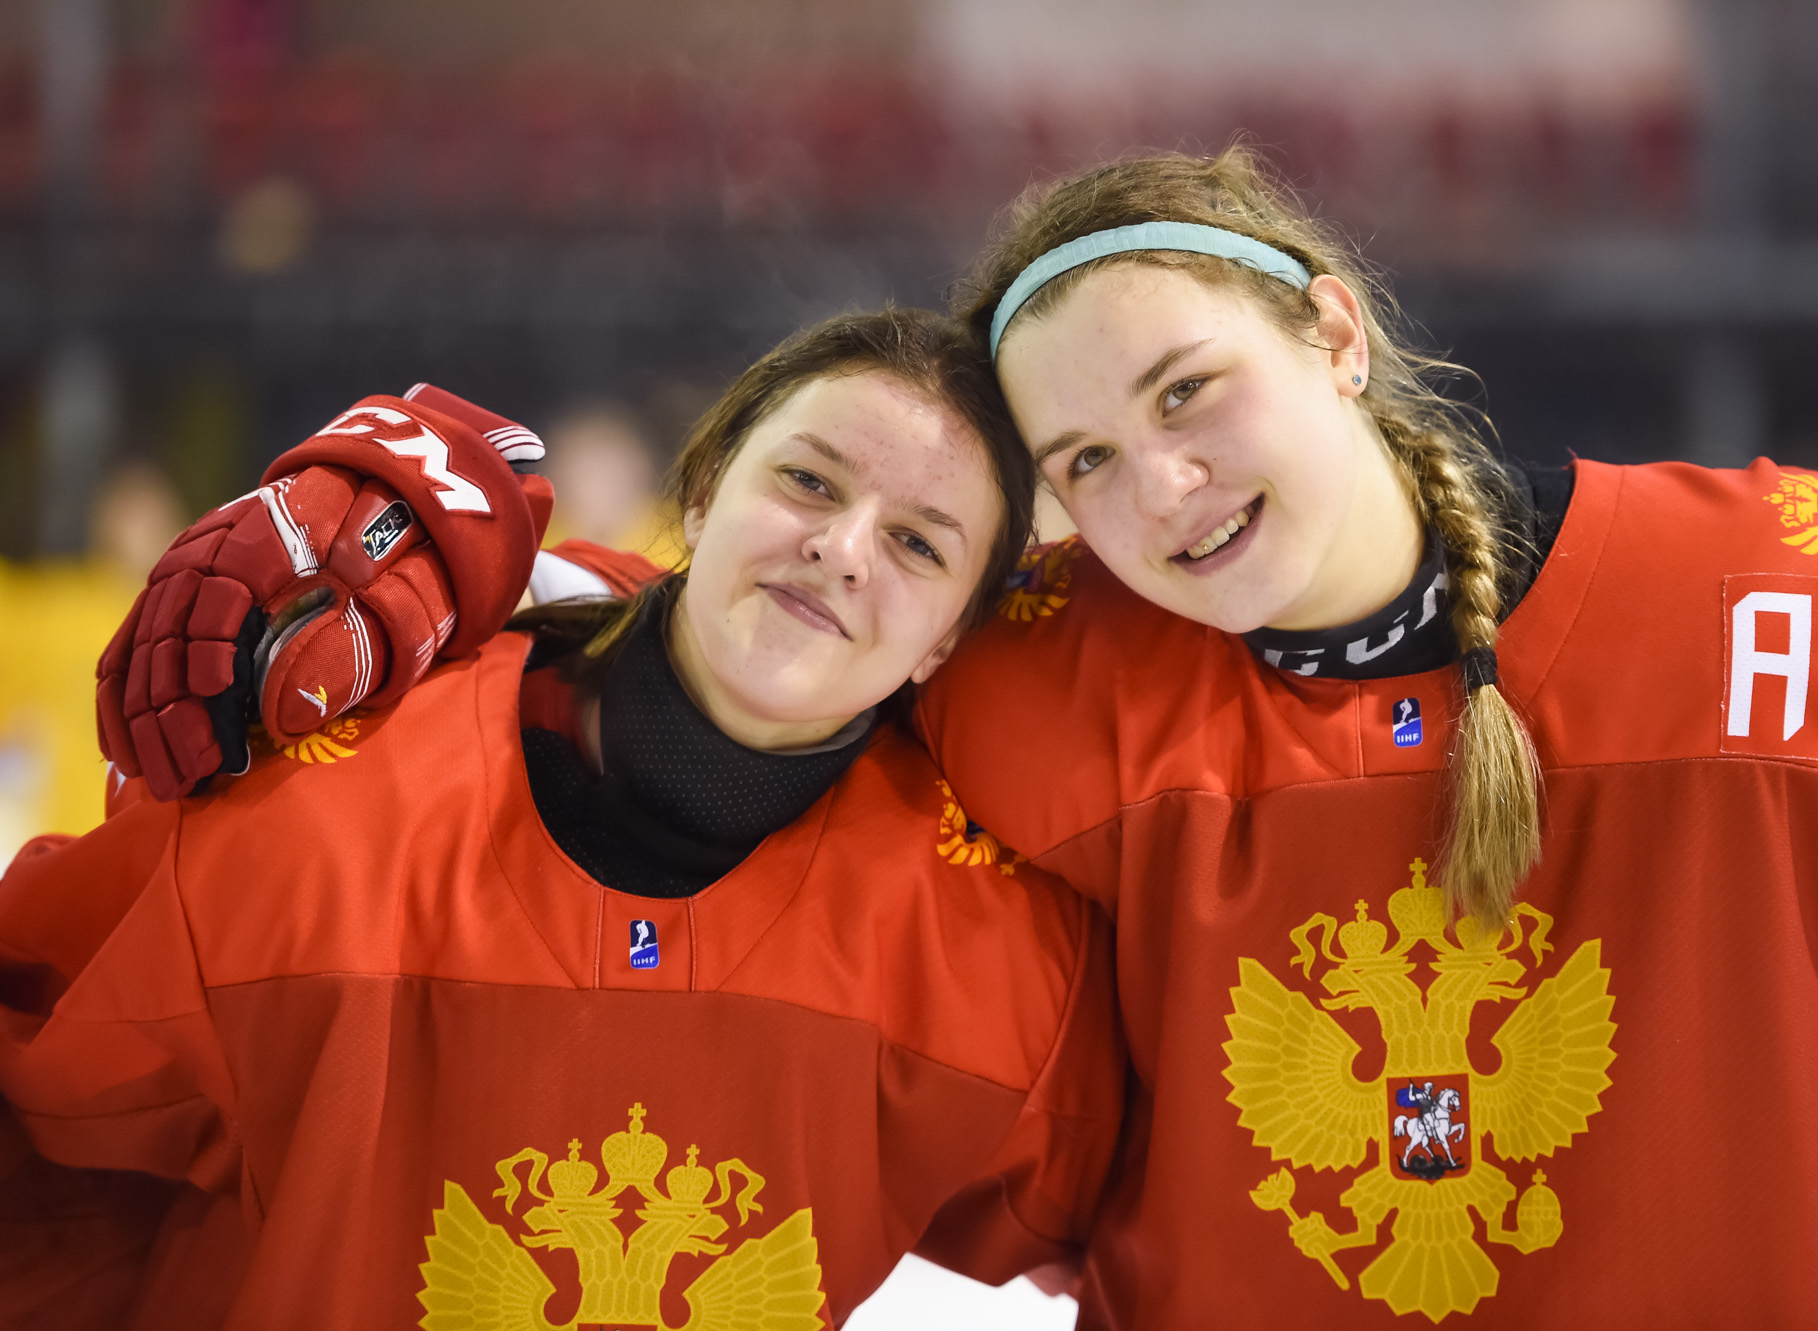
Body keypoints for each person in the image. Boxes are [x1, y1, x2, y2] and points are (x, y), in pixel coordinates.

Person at [84, 148, 1818, 1328]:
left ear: (1333, 331)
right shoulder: (1045, 672)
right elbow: (768, 636)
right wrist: (472, 538)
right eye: (1085, 460)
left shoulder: (1774, 610)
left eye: (1193, 393)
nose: (1159, 487)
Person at [0, 308, 1120, 1330]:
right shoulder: (319, 807)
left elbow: (1193, 1229)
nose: (842, 546)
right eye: (810, 482)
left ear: (947, 639)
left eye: (920, 543)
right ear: (702, 491)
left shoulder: (997, 959)